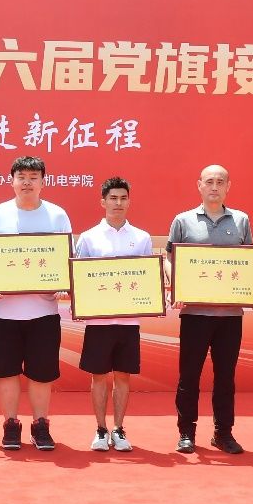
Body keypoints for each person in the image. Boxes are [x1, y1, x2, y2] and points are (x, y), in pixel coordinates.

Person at [0, 156, 72, 451]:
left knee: (41, 372)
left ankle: (40, 424)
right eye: (21, 177)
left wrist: (63, 284)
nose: (27, 182)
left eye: (33, 177)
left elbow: (67, 259)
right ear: (12, 181)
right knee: (6, 371)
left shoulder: (57, 215)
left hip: (43, 312)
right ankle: (10, 424)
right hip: (3, 312)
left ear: (43, 181)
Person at [166, 164, 253, 454]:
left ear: (228, 186)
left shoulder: (241, 220)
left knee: (225, 377)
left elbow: (249, 263)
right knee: (189, 376)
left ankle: (223, 433)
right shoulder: (183, 220)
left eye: (220, 182)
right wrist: (177, 287)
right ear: (199, 185)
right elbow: (170, 259)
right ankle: (186, 432)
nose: (214, 186)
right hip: (195, 314)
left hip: (230, 316)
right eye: (209, 181)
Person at [74, 177, 153, 452]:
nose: (118, 203)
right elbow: (80, 278)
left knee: (123, 376)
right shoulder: (89, 237)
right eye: (113, 198)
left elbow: (147, 278)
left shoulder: (141, 238)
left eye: (123, 198)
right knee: (98, 376)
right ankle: (100, 429)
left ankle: (118, 429)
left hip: (129, 321)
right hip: (98, 321)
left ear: (129, 201)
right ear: (103, 202)